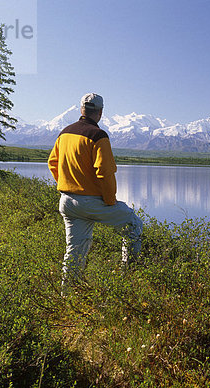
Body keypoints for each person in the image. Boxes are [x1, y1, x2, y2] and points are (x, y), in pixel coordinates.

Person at [48, 93, 143, 283]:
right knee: (133, 223)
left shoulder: (64, 133)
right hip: (90, 202)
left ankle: (67, 296)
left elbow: (52, 163)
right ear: (100, 112)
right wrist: (109, 200)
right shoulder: (98, 136)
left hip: (67, 201)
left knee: (75, 250)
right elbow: (104, 172)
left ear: (81, 109)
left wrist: (65, 184)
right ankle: (129, 278)